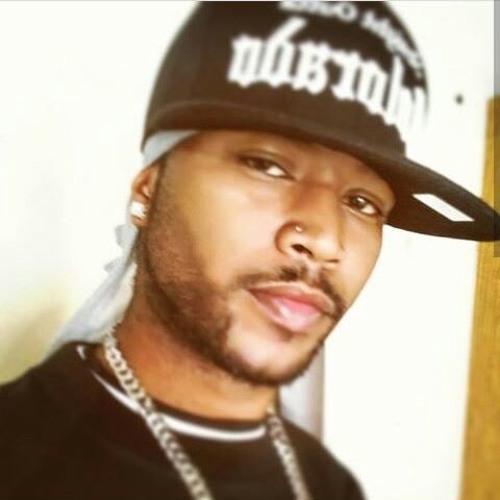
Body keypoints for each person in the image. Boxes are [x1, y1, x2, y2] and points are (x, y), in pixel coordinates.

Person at [0, 2, 498, 500]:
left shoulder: (328, 485)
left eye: (362, 203)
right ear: (149, 191)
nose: (325, 240)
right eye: (267, 166)